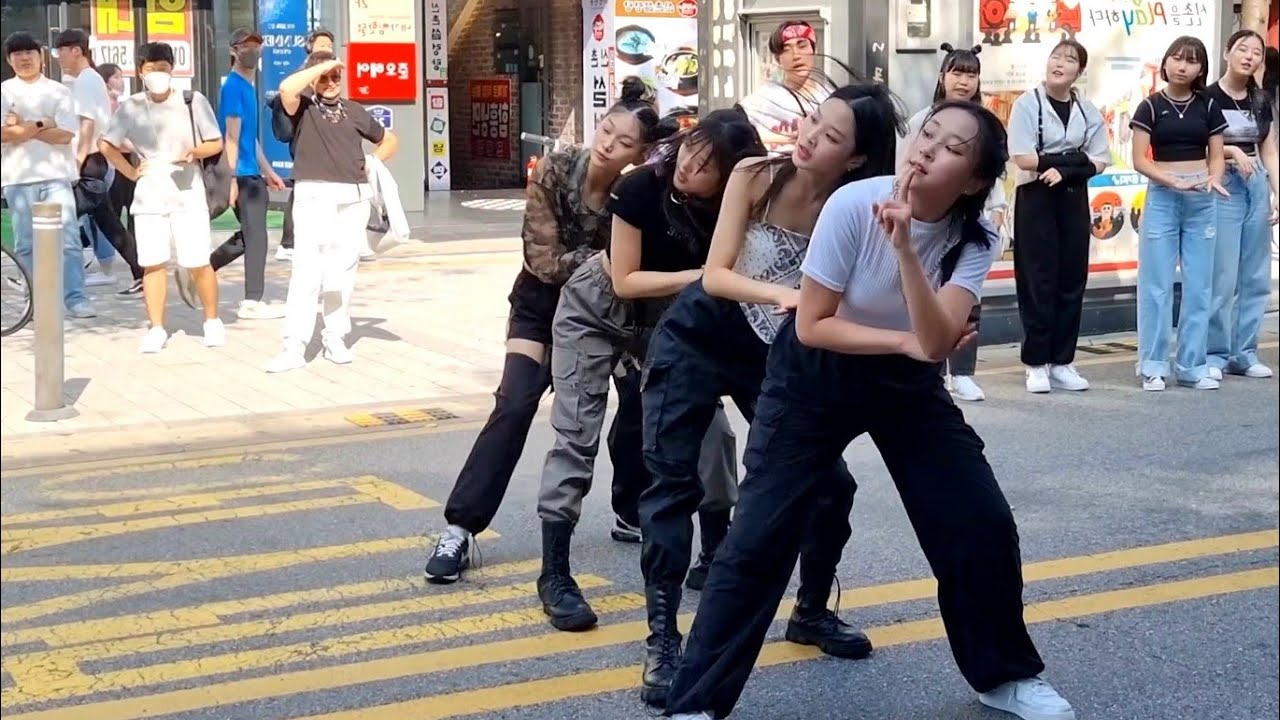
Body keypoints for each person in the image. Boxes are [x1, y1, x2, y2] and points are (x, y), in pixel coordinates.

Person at [665, 100, 1076, 720]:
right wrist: (905, 341)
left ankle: (1004, 675)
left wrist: (907, 247)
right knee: (756, 541)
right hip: (813, 373)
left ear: (972, 181)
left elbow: (937, 343)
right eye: (927, 133)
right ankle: (694, 704)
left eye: (951, 149)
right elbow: (811, 325)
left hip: (907, 385)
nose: (927, 150)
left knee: (979, 522)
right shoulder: (852, 204)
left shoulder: (977, 234)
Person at [637, 83, 901, 707]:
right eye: (813, 122)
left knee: (830, 485)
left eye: (832, 137)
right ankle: (662, 639)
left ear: (858, 159)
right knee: (672, 483)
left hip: (778, 354)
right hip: (701, 333)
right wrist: (784, 296)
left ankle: (811, 611)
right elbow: (720, 272)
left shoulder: (858, 205)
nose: (810, 138)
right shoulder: (756, 174)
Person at [423, 78, 666, 584]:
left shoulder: (634, 191)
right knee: (514, 403)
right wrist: (609, 260)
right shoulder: (557, 166)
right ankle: (460, 528)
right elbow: (541, 259)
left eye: (624, 143)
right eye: (606, 130)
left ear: (639, 154)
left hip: (606, 313)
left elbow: (633, 269)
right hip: (541, 307)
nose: (608, 144)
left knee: (638, 398)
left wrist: (617, 271)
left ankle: (630, 508)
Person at [534, 110, 764, 633]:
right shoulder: (642, 185)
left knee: (710, 433)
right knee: (576, 434)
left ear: (730, 175)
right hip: (595, 314)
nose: (690, 166)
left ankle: (714, 553)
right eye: (691, 149)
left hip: (673, 327)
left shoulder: (738, 210)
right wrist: (706, 276)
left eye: (707, 164)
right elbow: (624, 280)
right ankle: (555, 574)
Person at [268, 52, 398, 372]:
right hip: (314, 195)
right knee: (307, 271)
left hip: (353, 197)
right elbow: (286, 89)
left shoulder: (354, 110)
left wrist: (373, 160)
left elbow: (389, 140)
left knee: (342, 272)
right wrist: (321, 67)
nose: (330, 82)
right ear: (313, 78)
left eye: (336, 76)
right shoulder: (304, 106)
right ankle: (294, 345)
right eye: (324, 77)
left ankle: (335, 336)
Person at [99, 42, 225, 352]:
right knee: (152, 263)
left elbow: (215, 142)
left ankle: (212, 321)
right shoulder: (131, 107)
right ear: (141, 71)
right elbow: (107, 144)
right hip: (149, 193)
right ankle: (156, 328)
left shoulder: (192, 100)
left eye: (163, 68)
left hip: (187, 189)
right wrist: (130, 174)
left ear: (173, 69)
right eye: (151, 68)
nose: (158, 74)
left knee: (197, 259)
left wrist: (193, 152)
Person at [901, 42, 1007, 401]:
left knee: (964, 296)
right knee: (926, 290)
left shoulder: (986, 124)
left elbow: (994, 175)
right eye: (957, 72)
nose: (964, 81)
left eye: (971, 73)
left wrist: (998, 206)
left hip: (970, 220)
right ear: (943, 76)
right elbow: (906, 167)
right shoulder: (923, 120)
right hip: (928, 219)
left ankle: (962, 370)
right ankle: (927, 361)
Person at [1008, 39, 1110, 394]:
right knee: (1038, 279)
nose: (1060, 63)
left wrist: (1067, 171)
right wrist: (1075, 162)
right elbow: (1023, 158)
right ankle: (1036, 362)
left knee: (1071, 278)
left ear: (1079, 71)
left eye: (1069, 60)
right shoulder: (1027, 104)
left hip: (1072, 196)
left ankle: (1063, 360)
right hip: (1035, 197)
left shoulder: (1087, 109)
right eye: (1056, 56)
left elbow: (1100, 159)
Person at [1130, 36, 1229, 391]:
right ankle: (1153, 365)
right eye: (1176, 58)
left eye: (1191, 61)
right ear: (1166, 62)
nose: (1182, 66)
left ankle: (1191, 365)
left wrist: (1213, 179)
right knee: (1156, 285)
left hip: (1202, 195)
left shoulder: (1208, 106)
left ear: (1201, 69)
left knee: (1200, 286)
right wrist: (1170, 180)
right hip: (1163, 195)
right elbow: (1140, 159)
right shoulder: (1150, 106)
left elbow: (1216, 153)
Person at [1, 31, 95, 319]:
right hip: (17, 177)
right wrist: (44, 122)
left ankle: (75, 298)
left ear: (40, 56)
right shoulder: (4, 91)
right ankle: (35, 300)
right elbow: (4, 135)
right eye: (17, 54)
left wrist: (24, 127)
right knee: (25, 244)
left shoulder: (59, 91)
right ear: (9, 60)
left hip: (56, 175)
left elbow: (66, 136)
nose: (24, 58)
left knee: (68, 239)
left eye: (29, 52)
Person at [1206, 30, 1278, 380]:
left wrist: (1277, 191)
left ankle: (1245, 352)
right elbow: (1195, 147)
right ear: (1226, 52)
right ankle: (1214, 353)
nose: (1249, 56)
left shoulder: (1260, 100)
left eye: (1256, 52)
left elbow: (1269, 149)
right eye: (1242, 49)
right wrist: (1230, 152)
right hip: (1223, 184)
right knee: (1222, 275)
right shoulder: (1206, 97)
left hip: (1256, 183)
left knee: (1256, 274)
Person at [200, 29, 287, 319]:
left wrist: (269, 170)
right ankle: (252, 301)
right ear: (234, 51)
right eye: (247, 46)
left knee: (251, 235)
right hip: (242, 175)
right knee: (257, 236)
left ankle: (201, 269)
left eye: (257, 46)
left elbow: (251, 138)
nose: (253, 50)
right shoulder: (235, 87)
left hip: (252, 172)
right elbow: (232, 138)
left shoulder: (248, 87)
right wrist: (233, 179)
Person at [54, 29, 145, 294]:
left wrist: (77, 162)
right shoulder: (89, 79)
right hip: (97, 161)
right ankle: (142, 272)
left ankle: (39, 275)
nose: (59, 57)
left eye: (61, 52)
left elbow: (87, 125)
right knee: (108, 223)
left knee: (58, 219)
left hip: (90, 161)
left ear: (76, 51)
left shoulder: (85, 80)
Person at [277, 27, 336, 262]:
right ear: (309, 45)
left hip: (327, 141)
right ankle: (289, 242)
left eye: (330, 46)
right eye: (322, 45)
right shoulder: (301, 75)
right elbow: (289, 92)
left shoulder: (333, 72)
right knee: (303, 187)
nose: (326, 50)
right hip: (304, 139)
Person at [738, 20, 832, 152]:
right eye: (786, 50)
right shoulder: (762, 100)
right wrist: (784, 138)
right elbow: (734, 136)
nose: (796, 55)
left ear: (814, 50)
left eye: (802, 46)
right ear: (777, 59)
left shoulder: (830, 99)